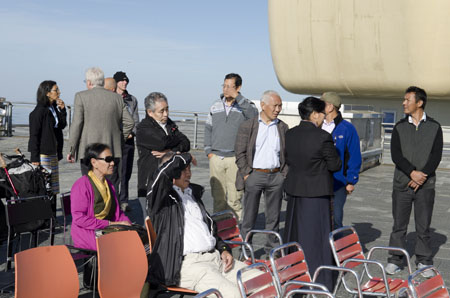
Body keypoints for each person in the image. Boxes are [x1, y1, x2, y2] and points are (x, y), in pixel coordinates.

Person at [146, 152, 255, 297]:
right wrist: (184, 157)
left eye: (189, 169)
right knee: (234, 295)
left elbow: (211, 232)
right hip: (188, 265)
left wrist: (223, 249)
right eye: (183, 170)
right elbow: (161, 176)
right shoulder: (161, 202)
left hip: (216, 258)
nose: (189, 174)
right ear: (172, 172)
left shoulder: (192, 196)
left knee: (264, 282)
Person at [283, 97, 341, 291]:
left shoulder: (290, 134)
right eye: (322, 114)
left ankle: (294, 273)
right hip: (316, 193)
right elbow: (335, 164)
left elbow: (288, 159)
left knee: (295, 235)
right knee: (317, 237)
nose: (324, 118)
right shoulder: (322, 136)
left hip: (295, 191)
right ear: (315, 114)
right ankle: (319, 278)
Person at [385, 86, 443, 278]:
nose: (403, 103)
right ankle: (395, 259)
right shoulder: (399, 127)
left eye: (407, 100)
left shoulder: (435, 127)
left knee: (423, 226)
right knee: (399, 226)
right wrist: (412, 173)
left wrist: (422, 176)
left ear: (419, 103)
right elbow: (396, 155)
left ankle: (424, 261)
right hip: (402, 184)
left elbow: (436, 156)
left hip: (425, 186)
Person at [235, 90, 288, 254]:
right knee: (249, 217)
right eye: (275, 105)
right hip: (254, 175)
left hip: (276, 176)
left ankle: (272, 251)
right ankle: (245, 251)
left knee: (273, 218)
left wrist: (283, 175)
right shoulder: (248, 125)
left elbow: (288, 154)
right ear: (263, 105)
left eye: (280, 106)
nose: (278, 109)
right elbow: (240, 152)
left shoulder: (282, 127)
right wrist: (246, 174)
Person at [67, 67, 134, 195]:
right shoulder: (117, 98)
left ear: (89, 82)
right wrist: (120, 139)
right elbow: (129, 122)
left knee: (90, 187)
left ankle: (93, 213)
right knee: (111, 188)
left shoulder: (81, 96)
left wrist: (71, 149)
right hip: (112, 150)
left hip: (88, 151)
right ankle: (112, 214)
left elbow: (76, 124)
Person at [204, 73, 258, 219]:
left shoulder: (246, 105)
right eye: (224, 85)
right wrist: (208, 151)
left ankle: (235, 232)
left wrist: (238, 98)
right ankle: (219, 230)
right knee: (218, 198)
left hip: (236, 158)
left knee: (235, 199)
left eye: (229, 86)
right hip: (216, 157)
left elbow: (254, 117)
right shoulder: (215, 105)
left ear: (238, 87)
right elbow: (208, 128)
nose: (225, 89)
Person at [136, 92, 190, 219]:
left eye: (167, 109)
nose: (166, 114)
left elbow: (186, 142)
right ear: (150, 112)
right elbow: (161, 143)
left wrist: (171, 152)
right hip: (150, 182)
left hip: (171, 181)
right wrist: (174, 142)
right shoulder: (143, 128)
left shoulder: (170, 124)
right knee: (152, 221)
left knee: (172, 220)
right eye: (161, 111)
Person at [70, 143, 131, 251]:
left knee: (137, 239)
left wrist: (127, 224)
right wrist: (111, 224)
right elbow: (79, 219)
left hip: (107, 228)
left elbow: (118, 213)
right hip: (87, 232)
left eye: (113, 159)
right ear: (94, 162)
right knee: (121, 247)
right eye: (108, 159)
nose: (112, 163)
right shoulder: (81, 185)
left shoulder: (109, 184)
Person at [321, 92, 361, 230]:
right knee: (319, 218)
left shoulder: (347, 128)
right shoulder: (317, 125)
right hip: (318, 180)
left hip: (338, 182)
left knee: (336, 218)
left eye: (322, 103)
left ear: (330, 106)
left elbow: (354, 155)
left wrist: (351, 181)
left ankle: (336, 250)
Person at [28, 80, 67, 198]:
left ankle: (52, 215)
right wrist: (34, 157)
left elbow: (61, 125)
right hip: (43, 154)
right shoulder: (39, 111)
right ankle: (45, 215)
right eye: (56, 90)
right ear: (47, 93)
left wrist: (63, 110)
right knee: (45, 187)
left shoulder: (53, 108)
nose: (59, 92)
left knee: (53, 188)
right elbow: (34, 135)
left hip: (53, 153)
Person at [114, 71, 140, 212]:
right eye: (122, 81)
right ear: (116, 82)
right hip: (114, 140)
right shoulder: (112, 97)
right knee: (114, 173)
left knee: (126, 172)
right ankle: (114, 200)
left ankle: (123, 200)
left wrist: (132, 133)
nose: (125, 83)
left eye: (126, 81)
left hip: (128, 142)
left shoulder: (132, 99)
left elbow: (136, 120)